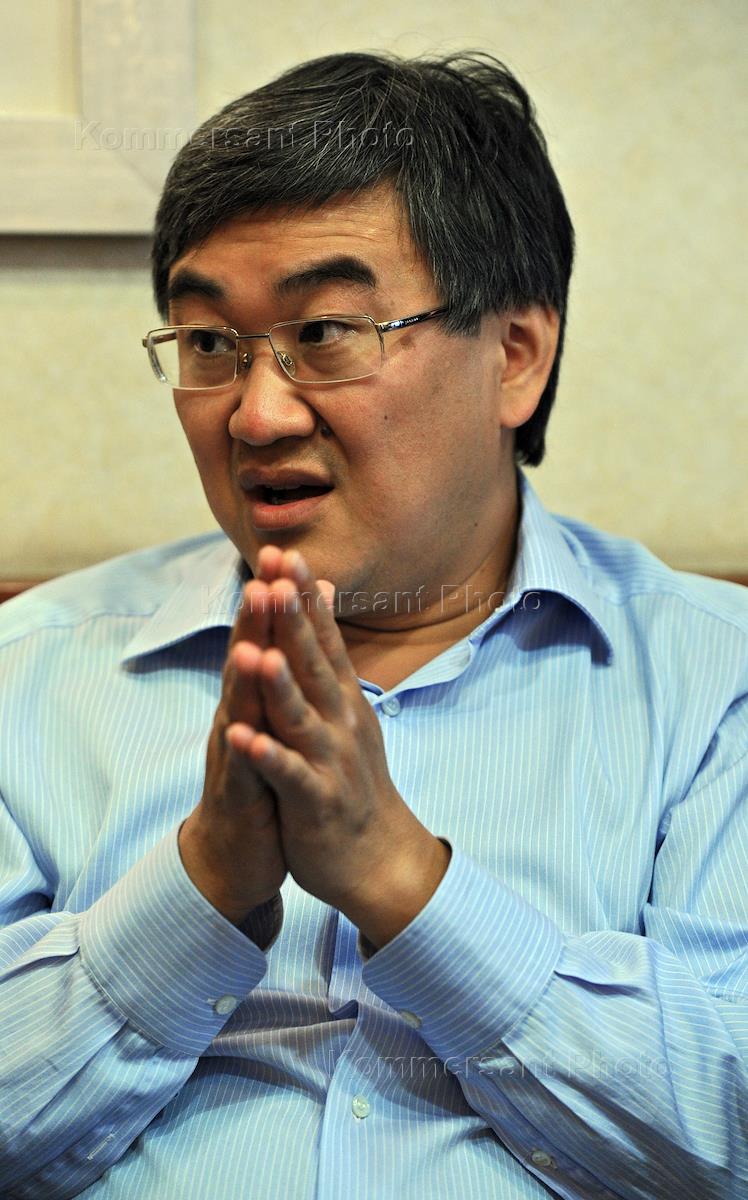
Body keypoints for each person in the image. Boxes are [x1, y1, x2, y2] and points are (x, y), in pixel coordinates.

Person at [0, 50, 746, 1200]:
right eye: (209, 344)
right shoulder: (31, 675)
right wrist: (202, 886)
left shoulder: (713, 683)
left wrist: (402, 880)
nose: (256, 414)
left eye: (327, 332)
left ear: (514, 357)